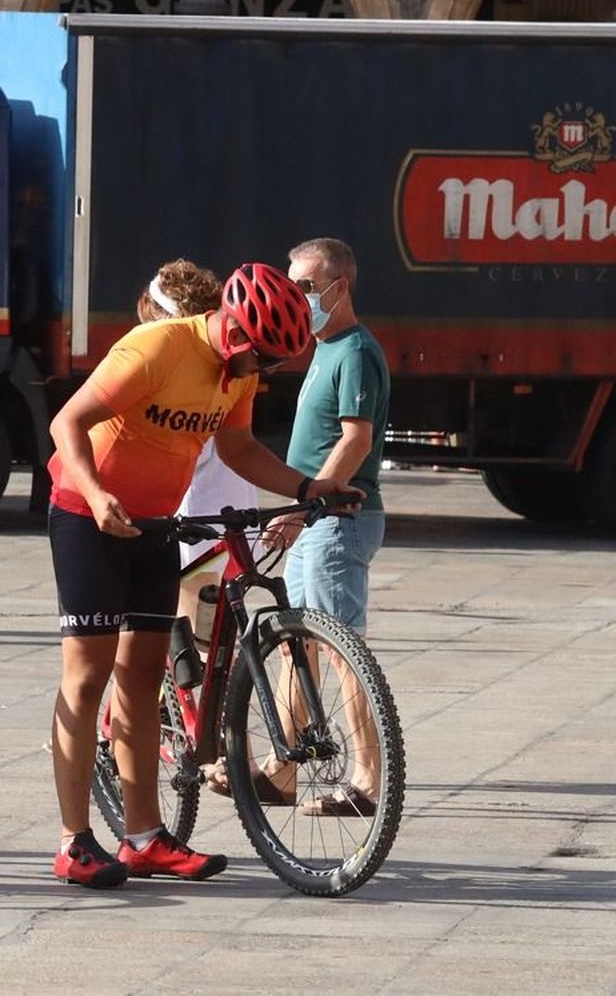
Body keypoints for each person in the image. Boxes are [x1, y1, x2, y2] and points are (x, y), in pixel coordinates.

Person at [47, 262, 358, 888]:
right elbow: (67, 424)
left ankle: (144, 838)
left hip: (157, 524)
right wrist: (98, 495)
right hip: (89, 517)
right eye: (263, 360)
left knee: (139, 680)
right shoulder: (158, 346)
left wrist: (309, 487)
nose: (263, 373)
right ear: (237, 332)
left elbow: (240, 449)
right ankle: (73, 842)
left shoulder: (234, 372)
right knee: (88, 679)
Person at [260, 236, 390, 819]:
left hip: (338, 520)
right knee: (297, 648)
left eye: (307, 288)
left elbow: (356, 438)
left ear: (340, 288)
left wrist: (305, 504)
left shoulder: (355, 350)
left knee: (343, 652)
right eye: (293, 287)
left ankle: (365, 782)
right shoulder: (324, 346)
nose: (298, 297)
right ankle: (282, 768)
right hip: (317, 519)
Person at [136, 262, 259, 635]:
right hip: (234, 521)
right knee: (214, 649)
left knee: (193, 656)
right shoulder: (227, 365)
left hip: (196, 528)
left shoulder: (176, 373)